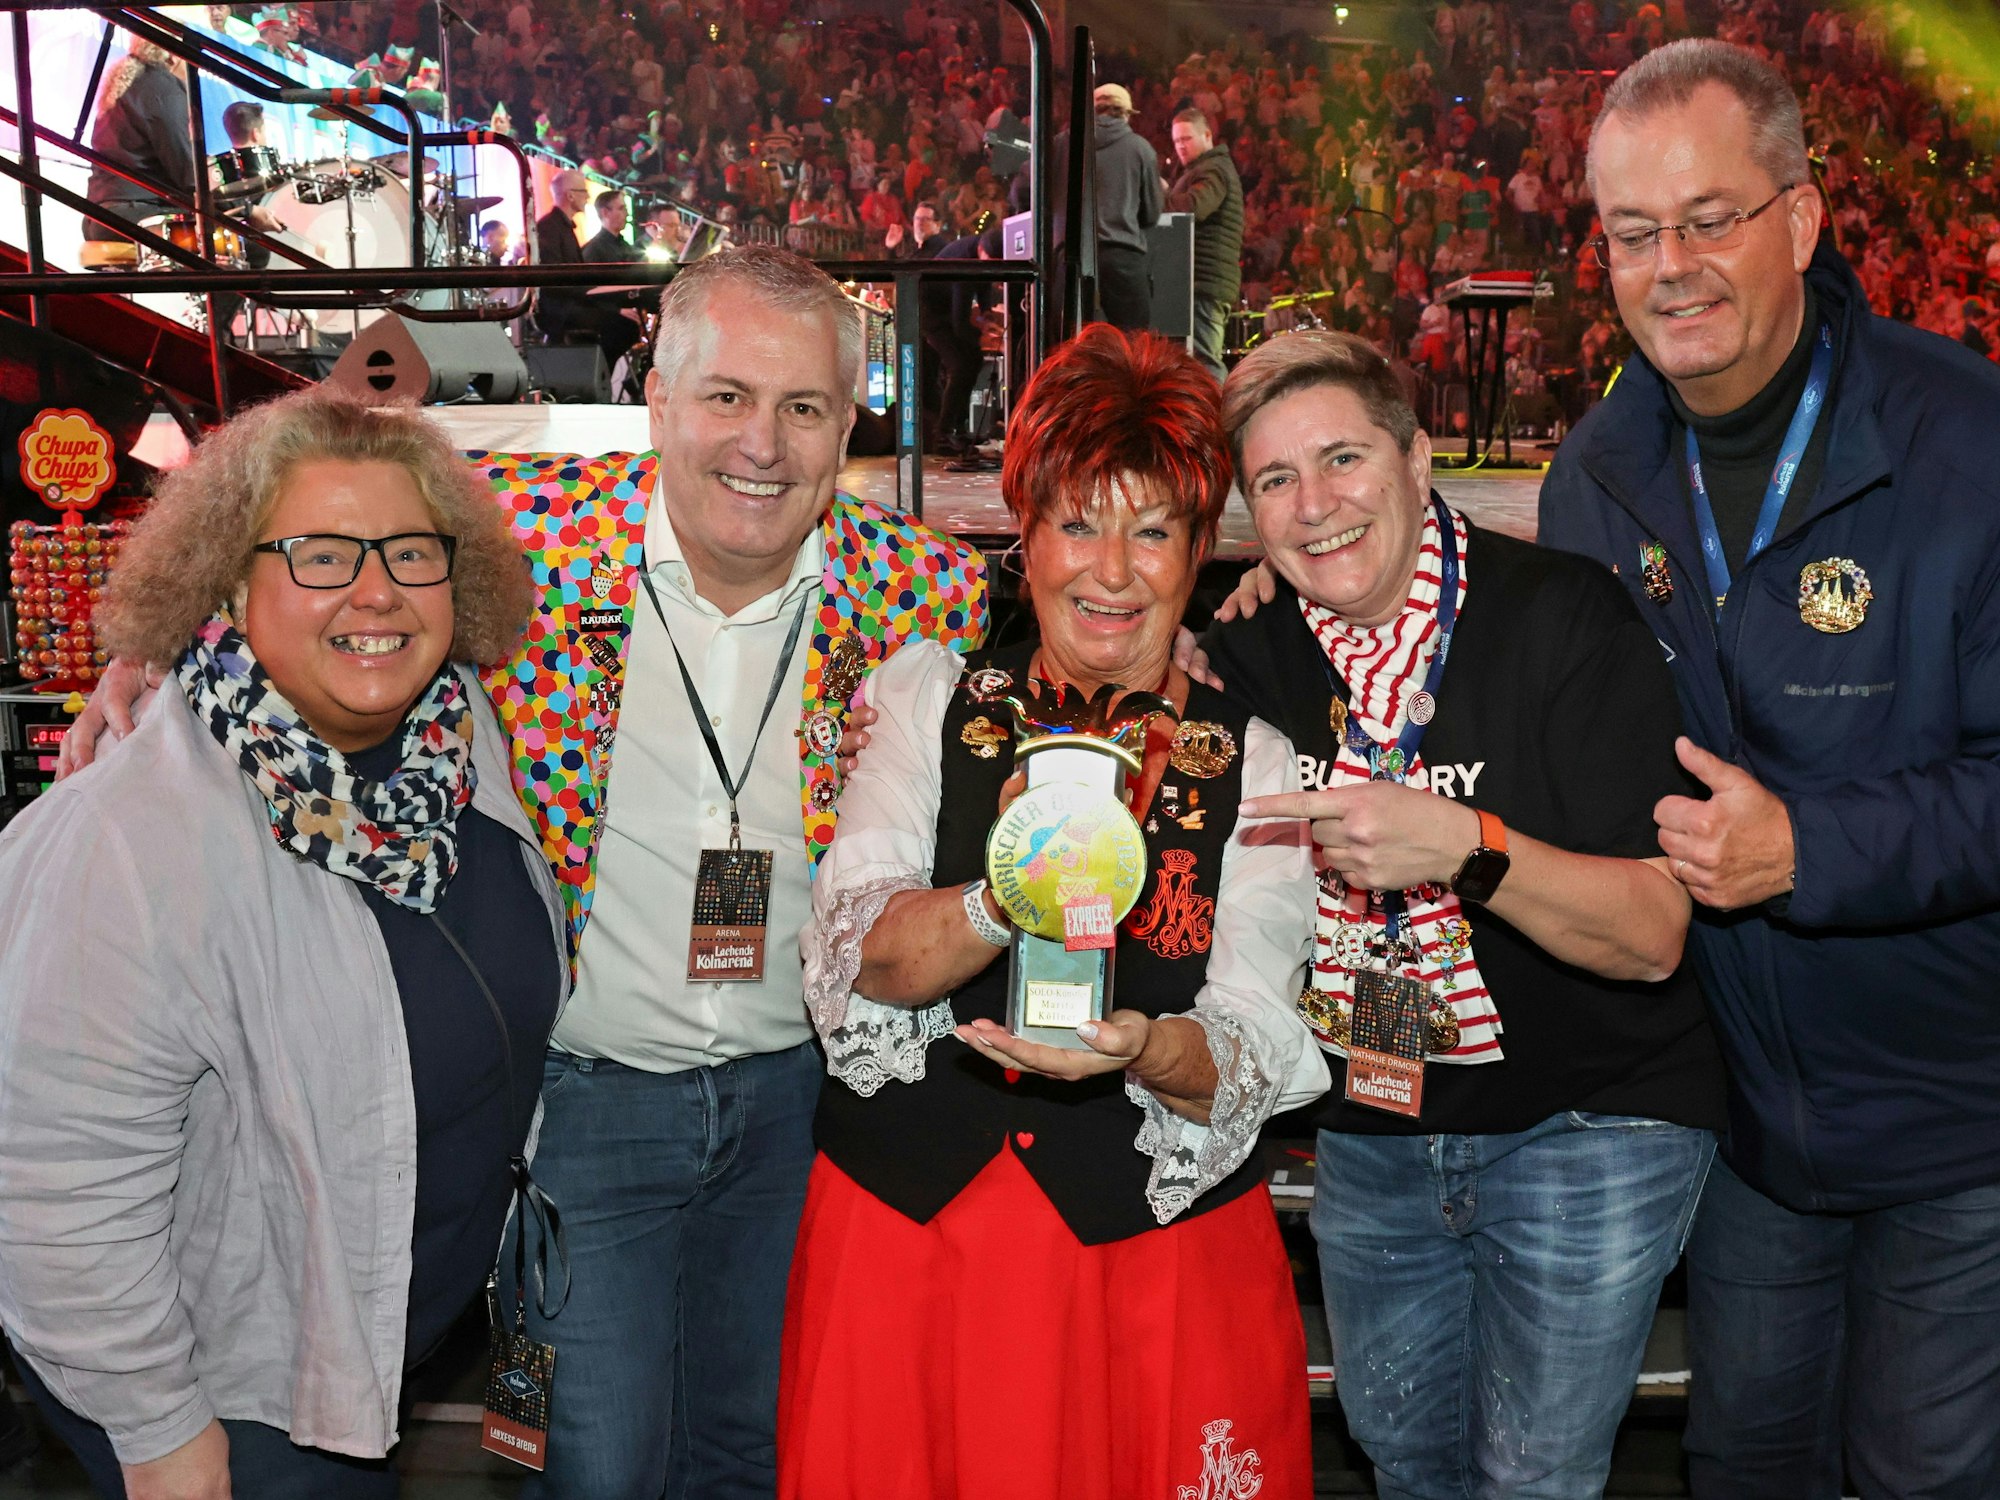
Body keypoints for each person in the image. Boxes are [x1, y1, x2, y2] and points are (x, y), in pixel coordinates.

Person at [59, 246, 989, 1500]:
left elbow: (1092, 631)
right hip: (585, 1106)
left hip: (796, 1102)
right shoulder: (517, 530)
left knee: (758, 1455)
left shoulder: (922, 589)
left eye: (803, 407)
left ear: (845, 427)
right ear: (654, 397)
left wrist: (1230, 626)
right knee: (594, 1471)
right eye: (725, 397)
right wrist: (163, 655)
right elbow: (300, 532)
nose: (760, 444)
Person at [1540, 39, 2000, 1499]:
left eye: (1710, 217)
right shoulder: (1593, 477)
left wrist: (1808, 848)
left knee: (1919, 1476)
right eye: (1632, 231)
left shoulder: (1970, 440)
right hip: (1740, 1126)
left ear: (1801, 221)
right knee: (1742, 1464)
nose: (1669, 265)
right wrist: (1268, 615)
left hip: (1956, 1113)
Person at [783, 323, 1326, 1500]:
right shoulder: (925, 698)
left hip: (1150, 1255)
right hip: (912, 1241)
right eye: (1077, 524)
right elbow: (862, 949)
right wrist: (1002, 894)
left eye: (1152, 531)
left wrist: (1147, 1050)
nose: (1110, 572)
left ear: (1202, 550)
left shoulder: (1259, 761)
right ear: (1021, 535)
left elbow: (1246, 1027)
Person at [1191, 331, 1724, 1498]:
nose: (1314, 505)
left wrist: (1468, 851)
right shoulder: (1249, 651)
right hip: (1375, 1131)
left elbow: (1652, 939)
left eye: (1341, 459)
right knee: (1403, 1461)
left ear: (1418, 460)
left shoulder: (1561, 617)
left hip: (1589, 1119)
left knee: (1532, 1476)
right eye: (1274, 480)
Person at [0, 390, 559, 1499]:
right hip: (233, 1405)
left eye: (409, 551)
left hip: (365, 1361)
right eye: (315, 553)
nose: (375, 591)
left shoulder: (453, 739)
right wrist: (162, 1435)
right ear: (224, 580)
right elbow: (51, 1186)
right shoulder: (130, 839)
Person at [1166, 108, 1244, 381]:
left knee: (1205, 364)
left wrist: (1159, 198)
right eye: (1176, 141)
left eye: (1186, 138)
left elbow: (1194, 207)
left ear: (1207, 135)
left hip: (1205, 282)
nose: (1180, 146)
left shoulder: (1214, 169)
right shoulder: (1205, 169)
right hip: (1200, 280)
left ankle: (1217, 421)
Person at [1090, 82, 1163, 331]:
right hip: (1123, 257)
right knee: (1133, 341)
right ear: (1126, 114)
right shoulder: (1140, 149)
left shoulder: (1062, 145)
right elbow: (1152, 213)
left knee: (1071, 342)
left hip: (1072, 257)